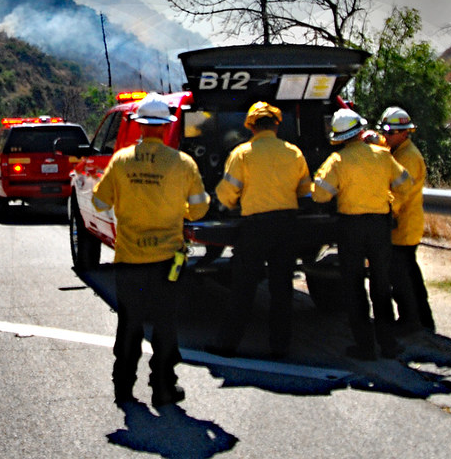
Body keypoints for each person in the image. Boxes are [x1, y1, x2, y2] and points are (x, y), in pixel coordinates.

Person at [91, 94, 210, 407]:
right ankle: (163, 387)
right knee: (165, 324)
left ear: (140, 125)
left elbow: (100, 202)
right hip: (167, 260)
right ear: (167, 125)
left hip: (129, 259)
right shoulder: (183, 164)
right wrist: (178, 208)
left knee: (129, 323)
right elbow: (198, 210)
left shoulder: (120, 160)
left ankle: (123, 388)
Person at [209, 101, 312, 359]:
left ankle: (227, 346)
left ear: (251, 127)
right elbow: (305, 191)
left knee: (243, 288)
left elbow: (227, 192)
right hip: (287, 226)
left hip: (254, 228)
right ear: (277, 125)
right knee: (282, 289)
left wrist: (224, 206)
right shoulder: (294, 153)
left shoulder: (242, 154)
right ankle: (280, 348)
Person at [313, 108, 410, 360]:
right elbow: (405, 183)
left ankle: (364, 347)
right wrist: (390, 201)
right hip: (380, 225)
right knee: (381, 284)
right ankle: (388, 344)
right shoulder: (383, 156)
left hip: (351, 227)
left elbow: (320, 194)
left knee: (354, 286)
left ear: (339, 136)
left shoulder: (337, 161)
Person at [376, 106, 435, 335]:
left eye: (389, 133)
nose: (386, 137)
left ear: (403, 133)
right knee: (408, 274)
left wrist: (387, 212)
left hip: (404, 225)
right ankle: (421, 320)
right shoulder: (399, 151)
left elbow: (401, 192)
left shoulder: (408, 157)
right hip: (404, 226)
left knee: (403, 278)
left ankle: (412, 321)